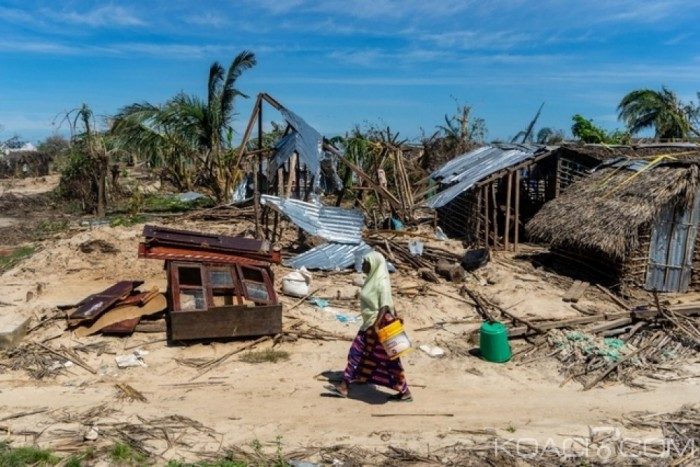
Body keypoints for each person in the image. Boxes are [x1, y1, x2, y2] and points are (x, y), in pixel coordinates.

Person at [325, 251, 412, 401]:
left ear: (375, 265)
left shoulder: (381, 282)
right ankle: (345, 386)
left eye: (367, 263)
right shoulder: (371, 280)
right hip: (369, 325)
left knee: (365, 355)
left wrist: (375, 327)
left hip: (376, 327)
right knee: (366, 355)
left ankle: (345, 387)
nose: (363, 265)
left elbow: (384, 306)